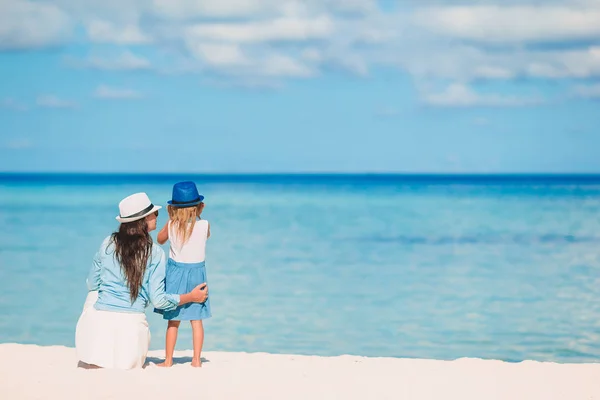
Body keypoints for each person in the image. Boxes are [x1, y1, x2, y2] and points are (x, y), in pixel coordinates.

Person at [75, 192, 208, 370]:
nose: (157, 217)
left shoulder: (107, 243)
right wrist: (190, 297)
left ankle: (96, 334)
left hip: (92, 345)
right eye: (155, 213)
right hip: (132, 343)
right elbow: (159, 300)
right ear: (144, 220)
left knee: (93, 293)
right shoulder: (154, 253)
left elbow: (92, 284)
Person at [154, 181, 212, 368]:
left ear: (172, 208)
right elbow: (206, 236)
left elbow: (159, 239)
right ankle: (196, 360)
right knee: (197, 321)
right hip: (197, 273)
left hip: (176, 273)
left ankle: (168, 360)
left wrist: (171, 219)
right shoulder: (204, 225)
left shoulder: (171, 225)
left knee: (173, 321)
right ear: (199, 207)